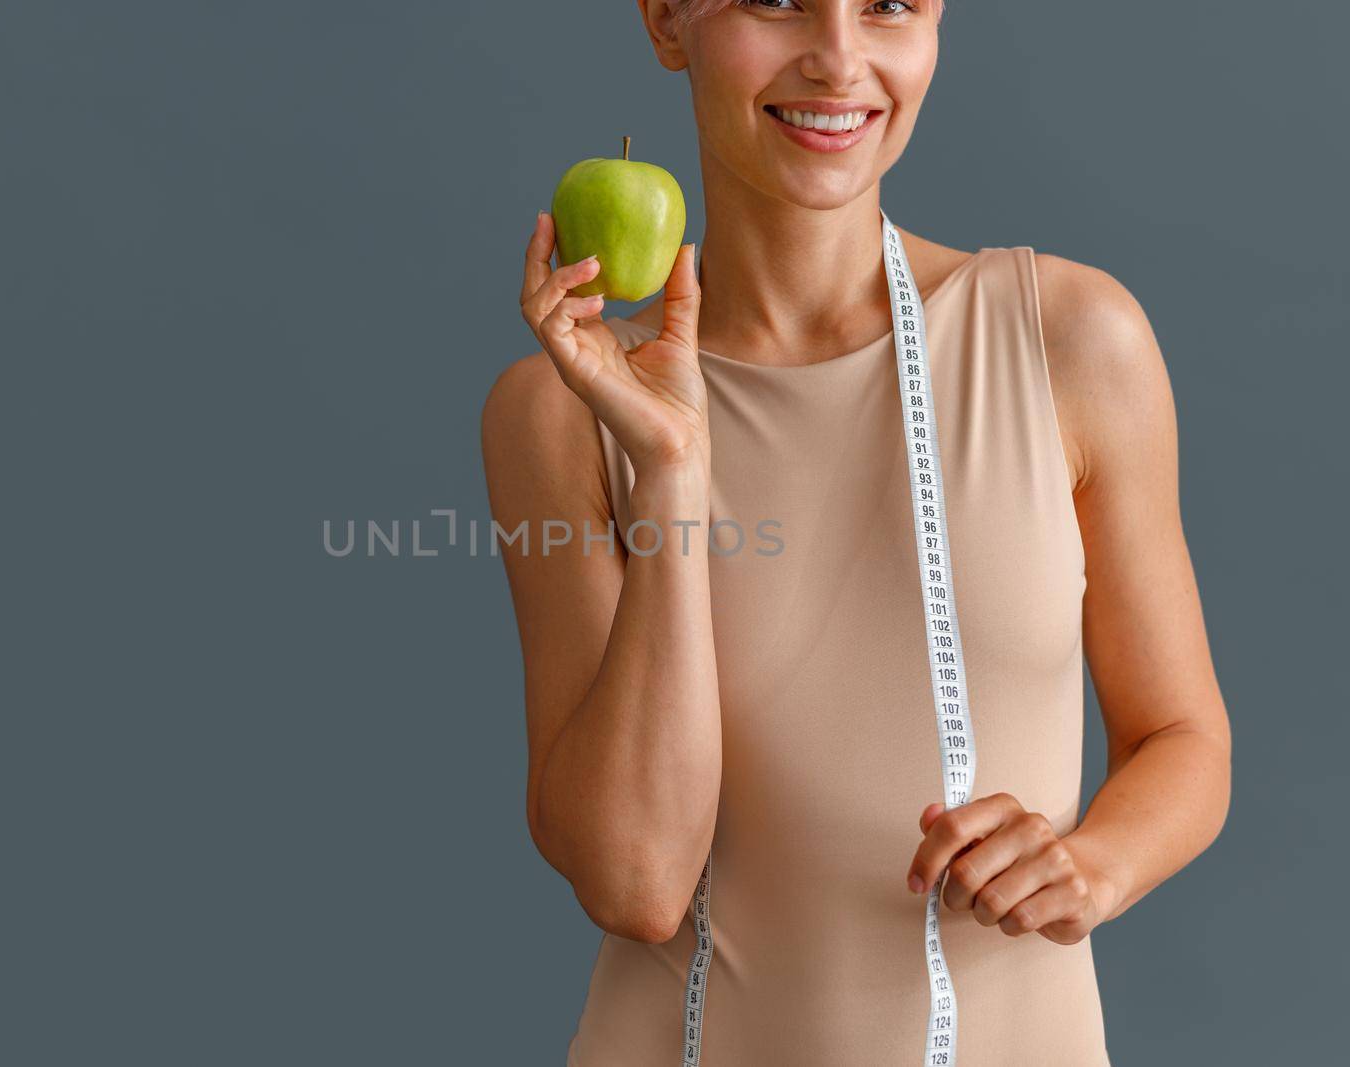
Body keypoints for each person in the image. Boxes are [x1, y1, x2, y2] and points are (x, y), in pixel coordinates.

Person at [480, 1, 1232, 1063]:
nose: (838, 59)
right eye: (777, 1)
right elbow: (637, 881)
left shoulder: (1070, 339)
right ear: (664, 19)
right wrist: (672, 468)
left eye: (888, 5)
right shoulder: (561, 410)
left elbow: (1182, 738)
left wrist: (1093, 863)